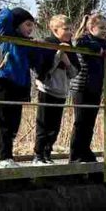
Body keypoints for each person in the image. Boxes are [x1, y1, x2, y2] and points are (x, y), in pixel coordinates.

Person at [0, 7, 49, 167]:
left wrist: (39, 49)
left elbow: (37, 64)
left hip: (20, 85)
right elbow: (2, 20)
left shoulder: (28, 43)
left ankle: (8, 156)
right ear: (17, 24)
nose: (30, 29)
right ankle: (2, 157)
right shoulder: (7, 35)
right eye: (27, 24)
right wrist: (13, 13)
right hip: (3, 80)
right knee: (2, 121)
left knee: (14, 123)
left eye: (32, 26)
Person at [67, 12, 106, 163]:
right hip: (82, 87)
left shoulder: (102, 42)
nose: (105, 31)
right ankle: (74, 155)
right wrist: (99, 49)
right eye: (101, 27)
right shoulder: (84, 39)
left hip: (95, 88)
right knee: (80, 122)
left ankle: (85, 150)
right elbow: (78, 43)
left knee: (90, 122)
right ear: (91, 28)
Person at [32, 14, 79, 164]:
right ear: (55, 30)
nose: (69, 32)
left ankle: (47, 153)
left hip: (61, 91)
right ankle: (38, 155)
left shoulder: (71, 49)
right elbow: (43, 70)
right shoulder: (48, 44)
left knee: (55, 127)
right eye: (66, 29)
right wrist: (59, 54)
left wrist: (67, 61)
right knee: (43, 124)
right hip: (47, 89)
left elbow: (73, 73)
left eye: (70, 29)